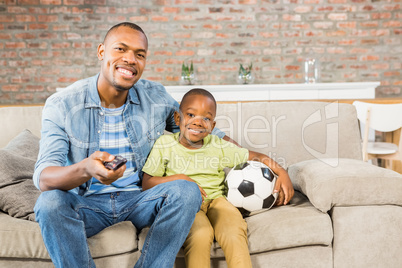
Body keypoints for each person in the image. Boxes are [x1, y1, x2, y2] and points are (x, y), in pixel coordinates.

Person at [33, 22, 231, 268]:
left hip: (140, 199)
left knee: (185, 191)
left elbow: (206, 132)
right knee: (49, 202)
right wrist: (86, 169)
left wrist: (268, 163)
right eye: (120, 49)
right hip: (87, 204)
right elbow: (44, 177)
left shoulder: (155, 97)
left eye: (139, 54)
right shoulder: (62, 104)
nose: (130, 59)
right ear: (101, 52)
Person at [141, 88, 294, 268]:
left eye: (206, 118)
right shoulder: (165, 145)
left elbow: (255, 157)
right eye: (190, 114)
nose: (198, 122)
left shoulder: (218, 145)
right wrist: (180, 179)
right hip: (187, 205)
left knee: (234, 231)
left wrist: (282, 172)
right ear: (177, 119)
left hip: (217, 201)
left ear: (212, 126)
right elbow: (147, 183)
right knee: (200, 234)